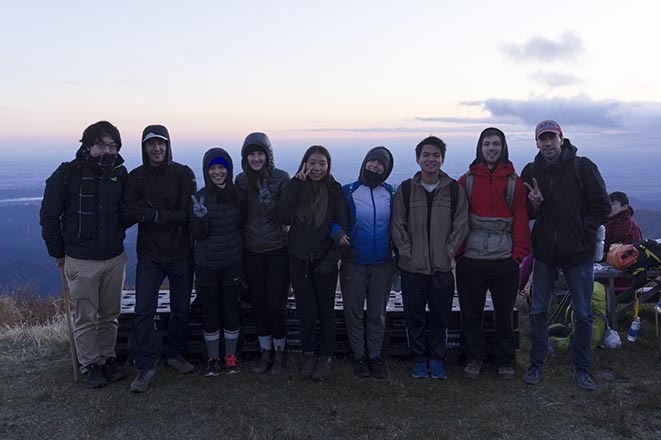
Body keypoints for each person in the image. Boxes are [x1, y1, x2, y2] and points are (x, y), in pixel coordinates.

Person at [521, 120, 610, 391]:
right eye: (542, 139)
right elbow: (526, 213)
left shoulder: (582, 167)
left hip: (578, 254)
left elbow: (602, 206)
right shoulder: (531, 170)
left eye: (552, 138)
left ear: (562, 139)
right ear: (536, 142)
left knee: (583, 313)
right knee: (538, 311)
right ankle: (536, 364)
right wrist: (533, 205)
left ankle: (581, 368)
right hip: (545, 253)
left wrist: (580, 231)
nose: (547, 143)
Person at [40, 121, 128, 388]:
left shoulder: (119, 174)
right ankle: (90, 365)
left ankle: (106, 359)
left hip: (114, 257)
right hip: (81, 258)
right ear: (88, 145)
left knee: (110, 314)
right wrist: (57, 252)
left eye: (113, 145)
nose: (107, 150)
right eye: (102, 145)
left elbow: (126, 211)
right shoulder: (68, 174)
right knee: (85, 316)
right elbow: (49, 214)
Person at [124, 125, 197, 393]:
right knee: (143, 310)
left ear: (168, 146)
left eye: (161, 143)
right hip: (150, 255)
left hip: (181, 253)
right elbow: (127, 212)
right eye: (151, 144)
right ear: (144, 148)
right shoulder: (136, 177)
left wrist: (151, 215)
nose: (156, 148)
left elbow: (186, 215)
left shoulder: (182, 173)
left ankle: (175, 355)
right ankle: (145, 366)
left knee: (181, 309)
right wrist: (157, 214)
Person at [391, 136, 469, 379]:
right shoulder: (405, 189)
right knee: (413, 317)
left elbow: (462, 223)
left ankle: (436, 359)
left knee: (440, 316)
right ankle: (418, 359)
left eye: (436, 155)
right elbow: (397, 223)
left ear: (442, 159)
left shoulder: (454, 189)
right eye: (426, 155)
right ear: (418, 159)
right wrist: (406, 252)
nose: (431, 159)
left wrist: (449, 251)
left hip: (442, 267)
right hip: (412, 268)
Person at [456, 127, 530, 381]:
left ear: (503, 147)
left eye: (496, 144)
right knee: (471, 312)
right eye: (487, 143)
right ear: (480, 147)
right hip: (472, 259)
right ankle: (473, 357)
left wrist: (518, 256)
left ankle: (505, 359)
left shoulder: (514, 183)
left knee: (504, 313)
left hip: (504, 259)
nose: (491, 148)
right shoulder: (466, 181)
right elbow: (458, 219)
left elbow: (520, 220)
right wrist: (460, 254)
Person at [274, 145, 349, 381]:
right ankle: (309, 355)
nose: (317, 168)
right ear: (305, 164)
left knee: (326, 313)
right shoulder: (295, 187)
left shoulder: (335, 190)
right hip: (298, 261)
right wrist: (296, 184)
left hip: (323, 263)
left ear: (328, 166)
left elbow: (342, 227)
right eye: (312, 162)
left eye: (322, 163)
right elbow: (282, 216)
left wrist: (329, 263)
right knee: (306, 312)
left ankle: (325, 358)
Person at [235, 132, 290, 375]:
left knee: (276, 305)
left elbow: (289, 216)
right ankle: (265, 351)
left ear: (268, 156)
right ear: (245, 157)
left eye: (260, 154)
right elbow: (238, 216)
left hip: (278, 250)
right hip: (251, 251)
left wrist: (272, 205)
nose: (256, 158)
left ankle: (280, 353)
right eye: (251, 154)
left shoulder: (281, 178)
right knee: (258, 303)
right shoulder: (240, 181)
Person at [338, 146, 395, 379]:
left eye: (381, 164)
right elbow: (335, 220)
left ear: (387, 169)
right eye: (372, 161)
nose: (376, 166)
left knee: (377, 313)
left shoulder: (391, 193)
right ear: (365, 162)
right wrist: (337, 233)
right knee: (353, 313)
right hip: (354, 262)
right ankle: (359, 356)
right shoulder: (349, 191)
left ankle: (375, 356)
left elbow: (398, 225)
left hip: (383, 263)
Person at [191, 148, 245, 377]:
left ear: (229, 170)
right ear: (206, 171)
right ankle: (213, 358)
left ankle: (230, 357)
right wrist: (200, 219)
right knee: (211, 312)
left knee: (231, 311)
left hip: (232, 262)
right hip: (207, 265)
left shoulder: (238, 195)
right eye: (212, 168)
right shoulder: (200, 197)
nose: (217, 172)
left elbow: (245, 225)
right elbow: (197, 234)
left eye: (222, 167)